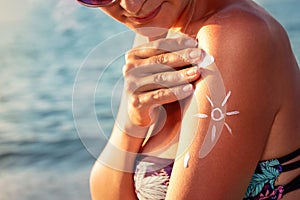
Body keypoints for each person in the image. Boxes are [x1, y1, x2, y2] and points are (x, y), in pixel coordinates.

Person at [76, 0, 300, 199]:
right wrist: (132, 122)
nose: (131, 6)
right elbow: (103, 192)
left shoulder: (234, 35)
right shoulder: (157, 28)